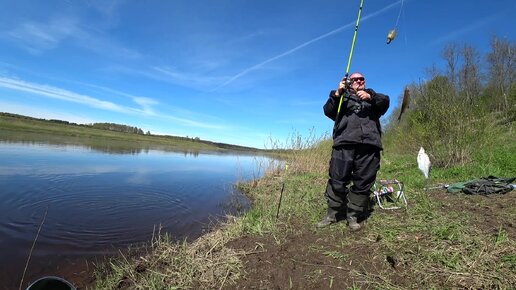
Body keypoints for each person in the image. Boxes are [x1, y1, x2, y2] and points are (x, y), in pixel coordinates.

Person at [317, 72, 390, 230]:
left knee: (363, 182)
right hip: (344, 144)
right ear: (349, 82)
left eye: (361, 79)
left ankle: (353, 216)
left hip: (370, 146)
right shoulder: (341, 98)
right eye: (354, 79)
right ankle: (332, 214)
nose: (358, 81)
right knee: (337, 179)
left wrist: (370, 96)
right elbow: (328, 111)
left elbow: (385, 102)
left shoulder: (374, 98)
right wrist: (338, 93)